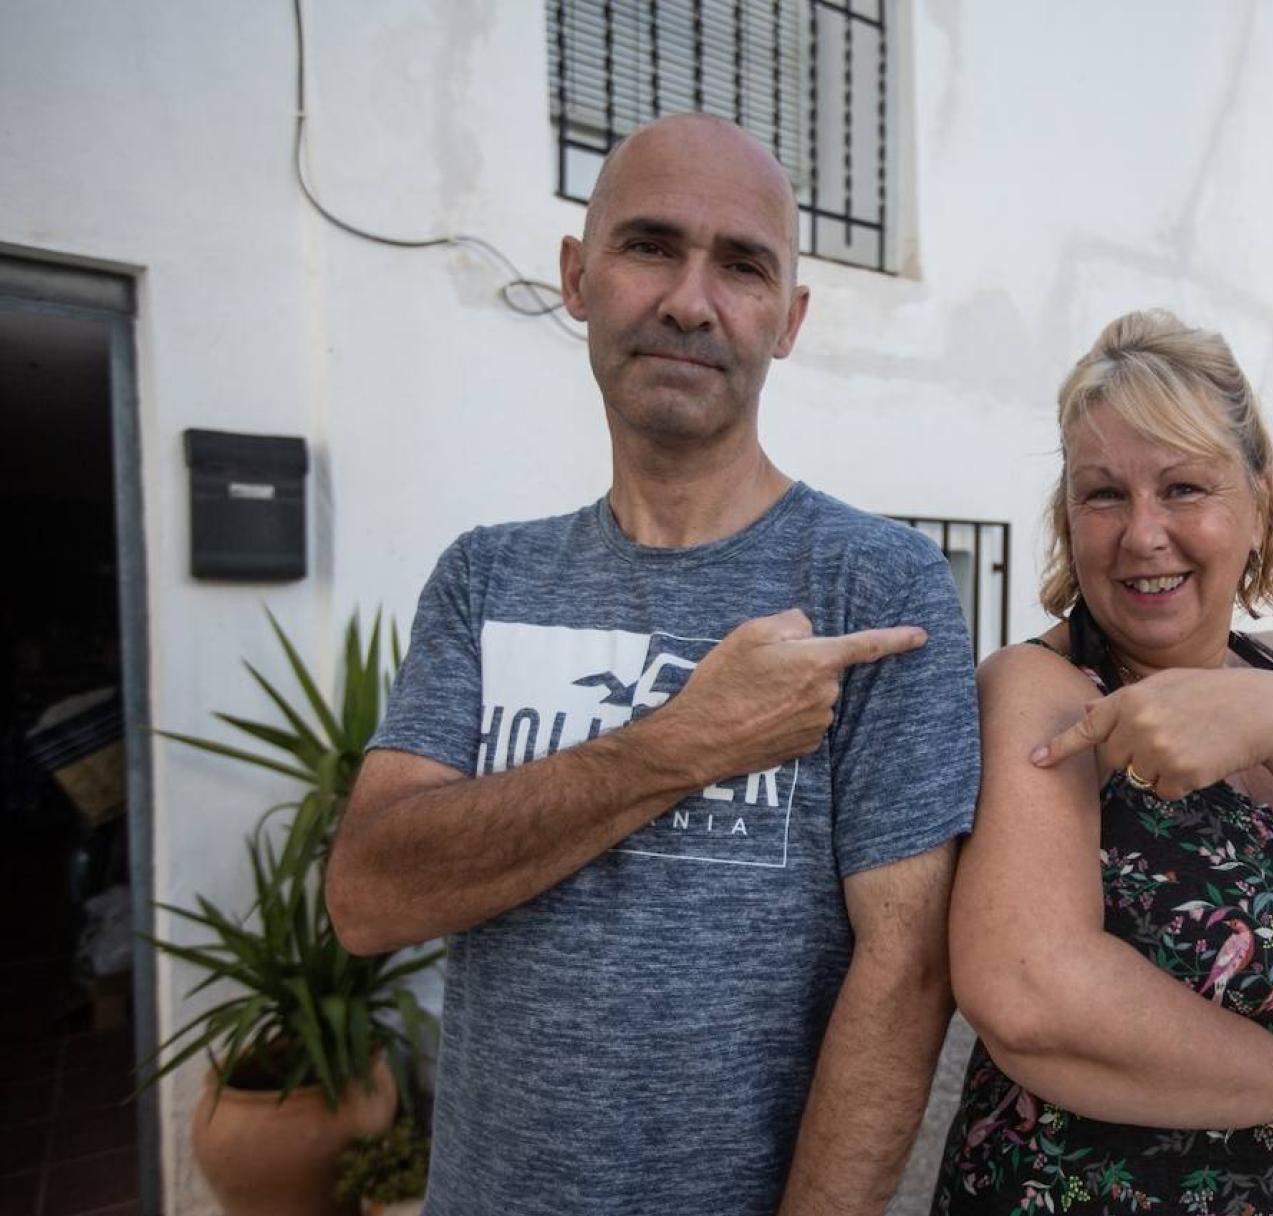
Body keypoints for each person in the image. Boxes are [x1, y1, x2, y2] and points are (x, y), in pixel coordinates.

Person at [325, 115, 981, 1216]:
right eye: (649, 246)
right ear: (577, 277)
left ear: (789, 320)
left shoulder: (880, 587)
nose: (689, 300)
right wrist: (684, 744)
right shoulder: (487, 580)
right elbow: (369, 894)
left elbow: (907, 974)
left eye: (741, 265)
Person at [930, 310, 1273, 1215]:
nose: (1143, 534)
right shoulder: (1043, 688)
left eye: (1185, 488)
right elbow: (1030, 994)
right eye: (1103, 494)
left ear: (1258, 504)